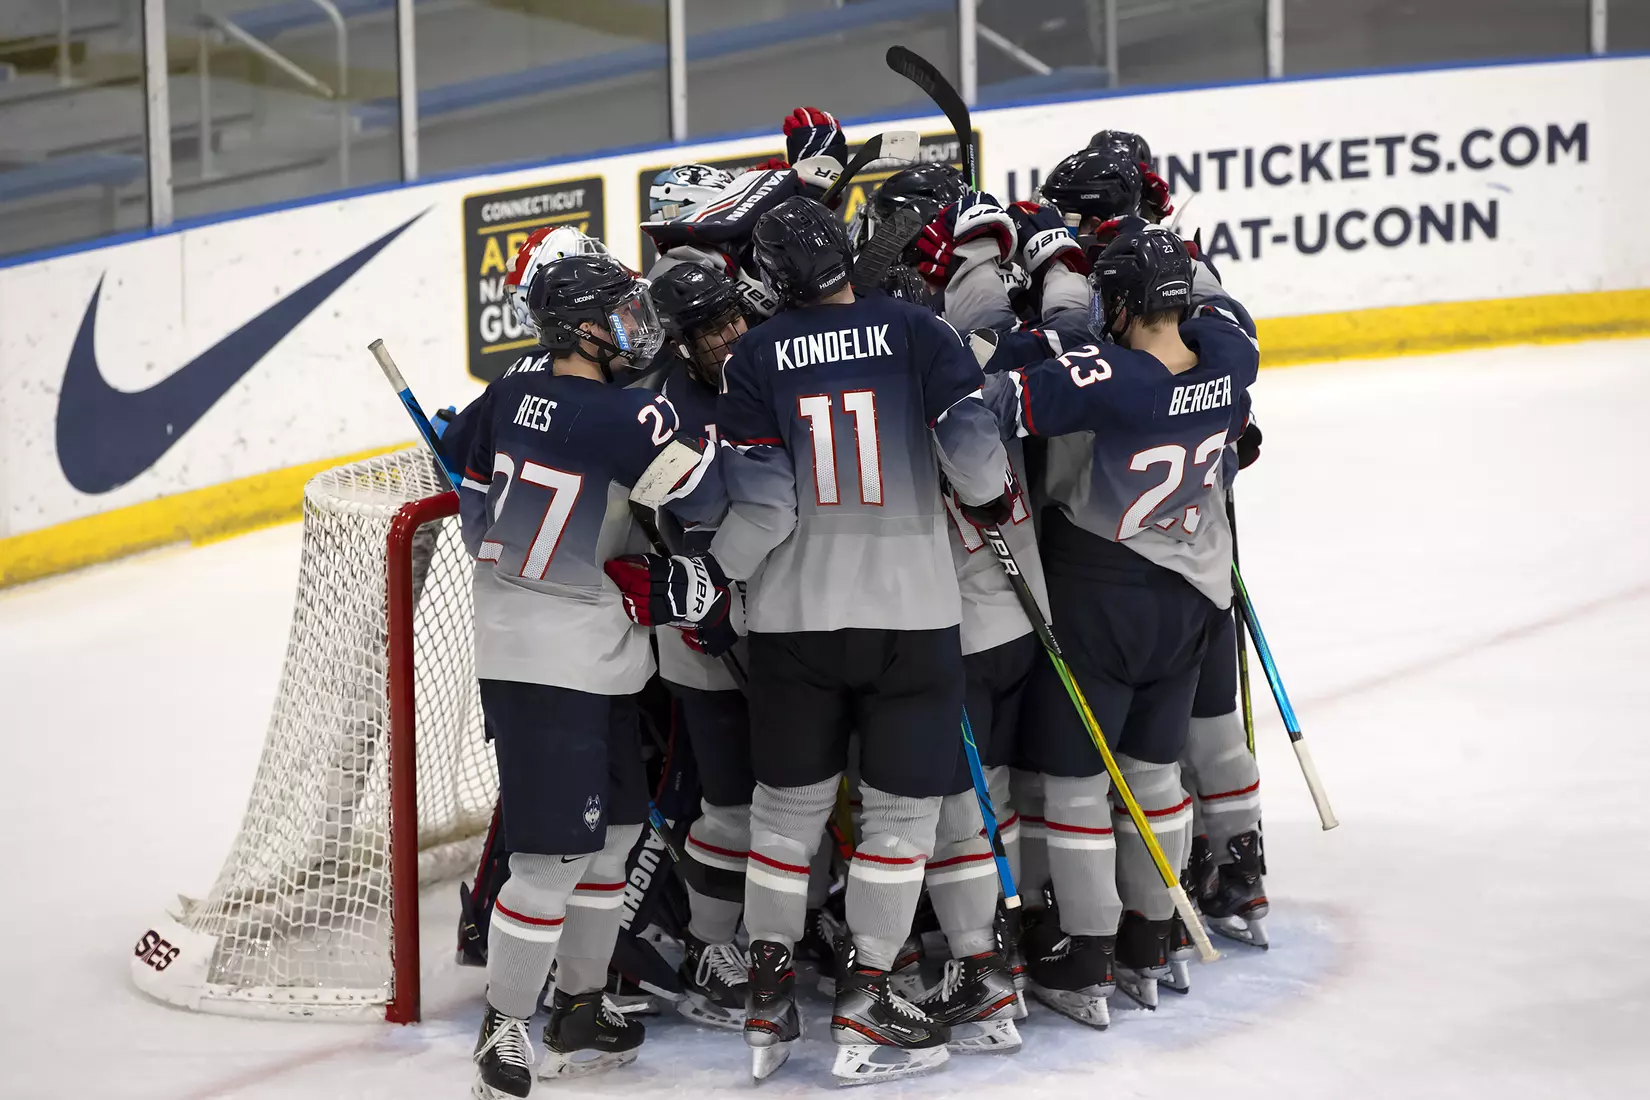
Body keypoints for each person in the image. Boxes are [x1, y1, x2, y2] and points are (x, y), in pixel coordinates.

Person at [617, 195, 1012, 1084]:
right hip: (912, 616)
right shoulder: (919, 331)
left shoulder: (755, 354)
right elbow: (979, 465)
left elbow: (766, 507)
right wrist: (984, 499)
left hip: (794, 623)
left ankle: (766, 1003)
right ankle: (868, 1001)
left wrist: (715, 573)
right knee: (900, 820)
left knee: (784, 821)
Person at [451, 253, 726, 1100]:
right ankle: (504, 1029)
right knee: (550, 860)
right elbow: (706, 497)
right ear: (581, 329)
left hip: (585, 651)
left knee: (610, 842)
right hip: (549, 666)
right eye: (619, 314)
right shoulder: (630, 416)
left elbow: (465, 503)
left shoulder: (497, 399)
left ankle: (579, 1008)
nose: (634, 327)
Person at [980, 219, 1259, 1022]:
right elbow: (1222, 319)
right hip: (1192, 602)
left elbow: (1003, 403)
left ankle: (1085, 958)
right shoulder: (1232, 357)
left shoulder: (1112, 379)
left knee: (1073, 784)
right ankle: (1152, 936)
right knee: (1155, 777)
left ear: (1128, 304)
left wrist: (1035, 337)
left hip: (1104, 596)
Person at [644, 262, 760, 1029]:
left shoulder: (768, 371)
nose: (730, 336)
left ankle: (786, 927)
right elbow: (659, 525)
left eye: (733, 319)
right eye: (711, 330)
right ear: (681, 344)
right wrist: (701, 594)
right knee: (731, 805)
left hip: (786, 618)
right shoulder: (661, 413)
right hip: (704, 631)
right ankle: (713, 946)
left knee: (794, 799)